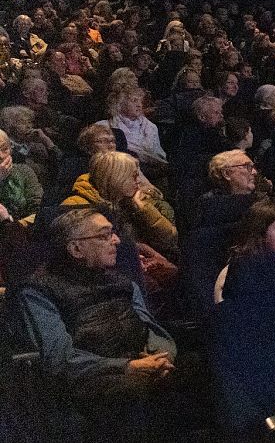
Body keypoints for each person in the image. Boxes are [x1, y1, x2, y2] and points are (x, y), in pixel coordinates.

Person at [19, 208, 197, 440]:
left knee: (197, 369)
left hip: (138, 363)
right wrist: (126, 366)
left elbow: (150, 326)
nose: (117, 240)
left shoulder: (123, 282)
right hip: (89, 380)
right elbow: (59, 357)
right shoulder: (39, 291)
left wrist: (160, 356)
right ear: (76, 249)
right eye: (105, 235)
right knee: (134, 395)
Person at [62, 151, 178, 260]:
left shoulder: (134, 200)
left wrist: (143, 209)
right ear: (117, 178)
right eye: (133, 176)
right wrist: (133, 250)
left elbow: (169, 240)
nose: (138, 181)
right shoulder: (76, 206)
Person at [0, 128, 43, 221]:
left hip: (22, 230)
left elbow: (38, 209)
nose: (1, 155)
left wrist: (10, 221)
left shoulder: (24, 171)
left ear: (11, 149)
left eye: (4, 149)